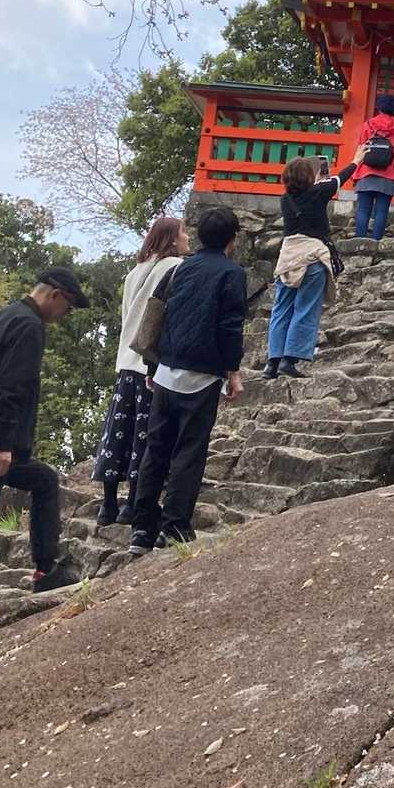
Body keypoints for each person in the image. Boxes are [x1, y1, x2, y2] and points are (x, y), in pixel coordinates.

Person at [129, 207, 246, 553]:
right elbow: (230, 326)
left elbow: (156, 318)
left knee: (156, 449)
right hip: (202, 375)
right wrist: (233, 372)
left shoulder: (179, 269)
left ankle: (141, 528)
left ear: (199, 236)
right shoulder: (232, 274)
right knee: (189, 452)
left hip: (166, 370)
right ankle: (174, 526)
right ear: (232, 239)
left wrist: (151, 368)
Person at [0, 266, 89, 592]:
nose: (65, 315)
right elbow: (10, 387)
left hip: (3, 440)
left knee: (44, 480)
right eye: (68, 307)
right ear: (56, 295)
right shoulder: (29, 326)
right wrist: (1, 445)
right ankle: (45, 572)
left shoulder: (4, 316)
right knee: (44, 481)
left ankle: (45, 570)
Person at [92, 216, 189, 525]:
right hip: (151, 363)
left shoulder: (134, 272)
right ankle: (133, 503)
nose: (188, 237)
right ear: (172, 239)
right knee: (145, 434)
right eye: (183, 232)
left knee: (118, 431)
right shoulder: (175, 268)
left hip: (126, 360)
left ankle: (108, 504)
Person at [263, 153, 357, 380]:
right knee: (305, 308)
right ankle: (290, 359)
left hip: (288, 259)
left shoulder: (285, 200)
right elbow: (341, 178)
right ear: (308, 177)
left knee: (281, 309)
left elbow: (313, 190)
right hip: (312, 257)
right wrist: (357, 160)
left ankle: (272, 362)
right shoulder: (318, 192)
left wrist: (318, 182)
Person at [350, 93, 394, 242]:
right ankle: (376, 242)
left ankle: (359, 241)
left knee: (363, 209)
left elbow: (362, 144)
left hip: (366, 172)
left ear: (379, 108)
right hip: (389, 173)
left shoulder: (369, 124)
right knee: (382, 211)